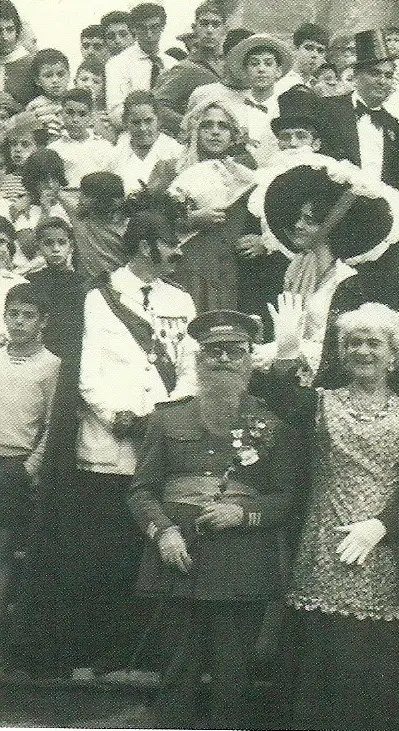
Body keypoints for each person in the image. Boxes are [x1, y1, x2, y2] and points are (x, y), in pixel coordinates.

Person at [23, 200, 195, 678]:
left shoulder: (179, 302)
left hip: (160, 441)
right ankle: (83, 653)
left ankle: (131, 652)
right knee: (95, 551)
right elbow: (85, 370)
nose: (175, 255)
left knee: (140, 552)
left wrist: (167, 420)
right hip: (106, 442)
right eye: (169, 246)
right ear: (144, 245)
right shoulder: (96, 296)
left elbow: (187, 366)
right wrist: (116, 414)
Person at [254, 302, 399, 731]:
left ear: (394, 355)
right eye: (354, 342)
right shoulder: (319, 404)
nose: (364, 351)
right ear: (340, 353)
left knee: (369, 669)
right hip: (323, 547)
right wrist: (286, 351)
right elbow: (281, 400)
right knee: (315, 661)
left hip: (382, 553)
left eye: (375, 343)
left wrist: (382, 526)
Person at [126, 310, 302, 729]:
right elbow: (141, 491)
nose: (223, 360)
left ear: (249, 360)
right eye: (213, 352)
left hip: (241, 562)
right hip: (180, 558)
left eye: (234, 352)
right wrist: (163, 531)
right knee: (177, 670)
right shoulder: (167, 417)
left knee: (232, 675)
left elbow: (287, 499)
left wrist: (243, 513)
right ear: (198, 359)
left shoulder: (270, 423)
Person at [260, 157, 399, 377]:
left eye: (310, 220)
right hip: (290, 366)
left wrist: (280, 351)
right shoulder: (297, 269)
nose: (298, 226)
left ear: (331, 224)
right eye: (298, 218)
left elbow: (337, 347)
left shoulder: (347, 280)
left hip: (329, 374)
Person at [167, 94, 260, 313]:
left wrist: (261, 240)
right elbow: (152, 221)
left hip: (230, 272)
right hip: (186, 268)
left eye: (223, 126)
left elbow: (260, 219)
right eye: (207, 125)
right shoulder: (170, 169)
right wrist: (191, 219)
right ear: (195, 131)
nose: (215, 132)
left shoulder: (243, 175)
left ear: (233, 135)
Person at [0, 283, 60, 616]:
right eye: (13, 314)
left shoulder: (51, 365)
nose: (19, 321)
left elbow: (52, 425)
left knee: (3, 549)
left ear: (42, 322)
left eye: (28, 315)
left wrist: (29, 468)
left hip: (13, 467)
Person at [316, 30, 399, 185]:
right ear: (356, 75)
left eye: (388, 76)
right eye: (375, 73)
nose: (382, 81)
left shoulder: (393, 126)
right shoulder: (328, 109)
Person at [153, 2, 227, 137]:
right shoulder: (185, 68)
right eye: (204, 24)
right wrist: (190, 125)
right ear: (195, 28)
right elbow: (157, 106)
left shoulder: (229, 67)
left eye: (216, 25)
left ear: (224, 29)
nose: (210, 30)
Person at [222, 33, 294, 166]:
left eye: (268, 63)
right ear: (245, 70)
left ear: (278, 71)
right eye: (254, 64)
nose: (261, 69)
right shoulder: (231, 108)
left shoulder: (286, 110)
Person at [105, 3, 175, 128]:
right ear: (134, 29)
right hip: (133, 133)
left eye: (154, 27)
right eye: (142, 28)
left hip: (169, 134)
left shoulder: (172, 64)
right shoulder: (118, 63)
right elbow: (115, 111)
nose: (149, 34)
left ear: (163, 27)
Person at [25, 217, 85, 359]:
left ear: (71, 246)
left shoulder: (82, 283)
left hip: (72, 352)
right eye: (48, 243)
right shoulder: (31, 281)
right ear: (39, 246)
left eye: (62, 242)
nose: (56, 249)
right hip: (40, 352)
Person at [110, 91, 183, 196]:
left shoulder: (175, 151)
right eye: (136, 122)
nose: (143, 128)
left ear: (158, 120)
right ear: (125, 122)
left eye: (148, 121)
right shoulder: (116, 154)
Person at [48, 88, 115, 189]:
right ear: (61, 113)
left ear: (90, 117)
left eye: (82, 114)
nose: (75, 120)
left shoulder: (104, 147)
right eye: (70, 113)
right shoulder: (54, 149)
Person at [68, 171, 127, 282]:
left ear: (104, 200)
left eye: (85, 195)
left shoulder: (128, 228)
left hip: (117, 287)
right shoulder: (80, 217)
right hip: (87, 287)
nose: (80, 199)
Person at [0, 1, 33, 106]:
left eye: (10, 29)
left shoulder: (32, 64)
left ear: (17, 30)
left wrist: (17, 107)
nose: (5, 37)